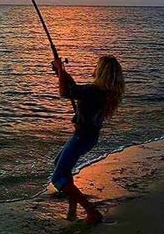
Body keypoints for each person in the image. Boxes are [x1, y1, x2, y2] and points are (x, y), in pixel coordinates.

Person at [51, 55, 125, 224]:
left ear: (101, 71)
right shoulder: (102, 92)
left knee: (58, 177)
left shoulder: (93, 91)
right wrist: (61, 72)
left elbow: (66, 92)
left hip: (82, 137)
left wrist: (61, 70)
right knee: (60, 165)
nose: (95, 68)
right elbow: (74, 89)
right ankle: (73, 203)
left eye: (97, 66)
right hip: (88, 137)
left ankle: (92, 212)